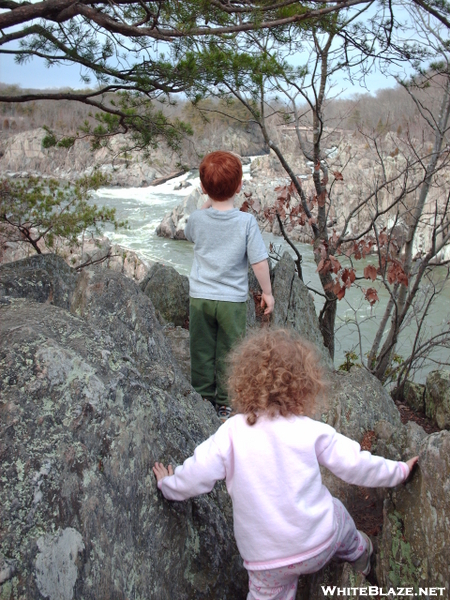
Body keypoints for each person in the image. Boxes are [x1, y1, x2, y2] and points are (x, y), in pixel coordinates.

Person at [153, 328, 419, 600]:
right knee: (338, 513)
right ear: (303, 385)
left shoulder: (231, 433)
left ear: (243, 381)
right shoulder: (310, 430)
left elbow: (198, 473)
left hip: (267, 561)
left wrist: (168, 484)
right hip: (319, 542)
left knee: (264, 594)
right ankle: (360, 554)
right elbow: (356, 464)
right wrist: (398, 471)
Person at [184, 150, 274, 422]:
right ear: (239, 187)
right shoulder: (246, 222)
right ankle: (224, 403)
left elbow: (190, 236)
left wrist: (204, 205)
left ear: (202, 188)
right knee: (230, 350)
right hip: (231, 301)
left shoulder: (197, 218)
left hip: (200, 297)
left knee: (200, 347)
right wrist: (267, 293)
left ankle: (201, 394)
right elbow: (259, 261)